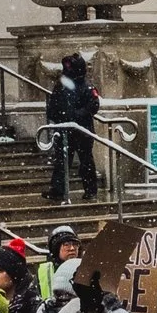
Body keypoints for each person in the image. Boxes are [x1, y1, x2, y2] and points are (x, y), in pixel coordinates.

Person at [44, 52, 101, 202]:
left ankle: (90, 190)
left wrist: (76, 115)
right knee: (62, 161)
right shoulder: (61, 86)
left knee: (85, 161)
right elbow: (53, 105)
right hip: (65, 129)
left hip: (81, 130)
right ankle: (58, 190)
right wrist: (57, 116)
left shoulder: (86, 86)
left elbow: (93, 105)